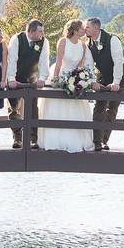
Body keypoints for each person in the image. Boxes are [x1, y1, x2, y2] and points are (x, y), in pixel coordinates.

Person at [37, 19, 95, 152]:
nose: (84, 30)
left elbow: (80, 66)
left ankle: (74, 140)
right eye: (82, 28)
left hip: (75, 78)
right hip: (61, 74)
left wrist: (81, 80)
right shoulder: (63, 41)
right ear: (75, 29)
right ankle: (55, 140)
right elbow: (58, 62)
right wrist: (56, 79)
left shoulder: (83, 46)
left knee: (74, 109)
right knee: (57, 108)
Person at [6, 19, 50, 150]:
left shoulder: (44, 42)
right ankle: (17, 137)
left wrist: (42, 78)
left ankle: (32, 139)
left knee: (32, 109)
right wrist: (11, 79)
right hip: (16, 79)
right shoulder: (16, 39)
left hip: (32, 80)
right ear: (31, 31)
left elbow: (44, 60)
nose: (42, 34)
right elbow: (12, 59)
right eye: (40, 31)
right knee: (14, 108)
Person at [84, 17, 124, 151]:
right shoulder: (88, 44)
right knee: (99, 108)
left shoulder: (113, 39)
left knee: (112, 109)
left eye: (87, 27)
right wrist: (92, 81)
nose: (85, 29)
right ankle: (96, 141)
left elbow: (118, 62)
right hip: (102, 78)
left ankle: (104, 140)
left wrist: (116, 82)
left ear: (96, 28)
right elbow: (89, 65)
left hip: (119, 77)